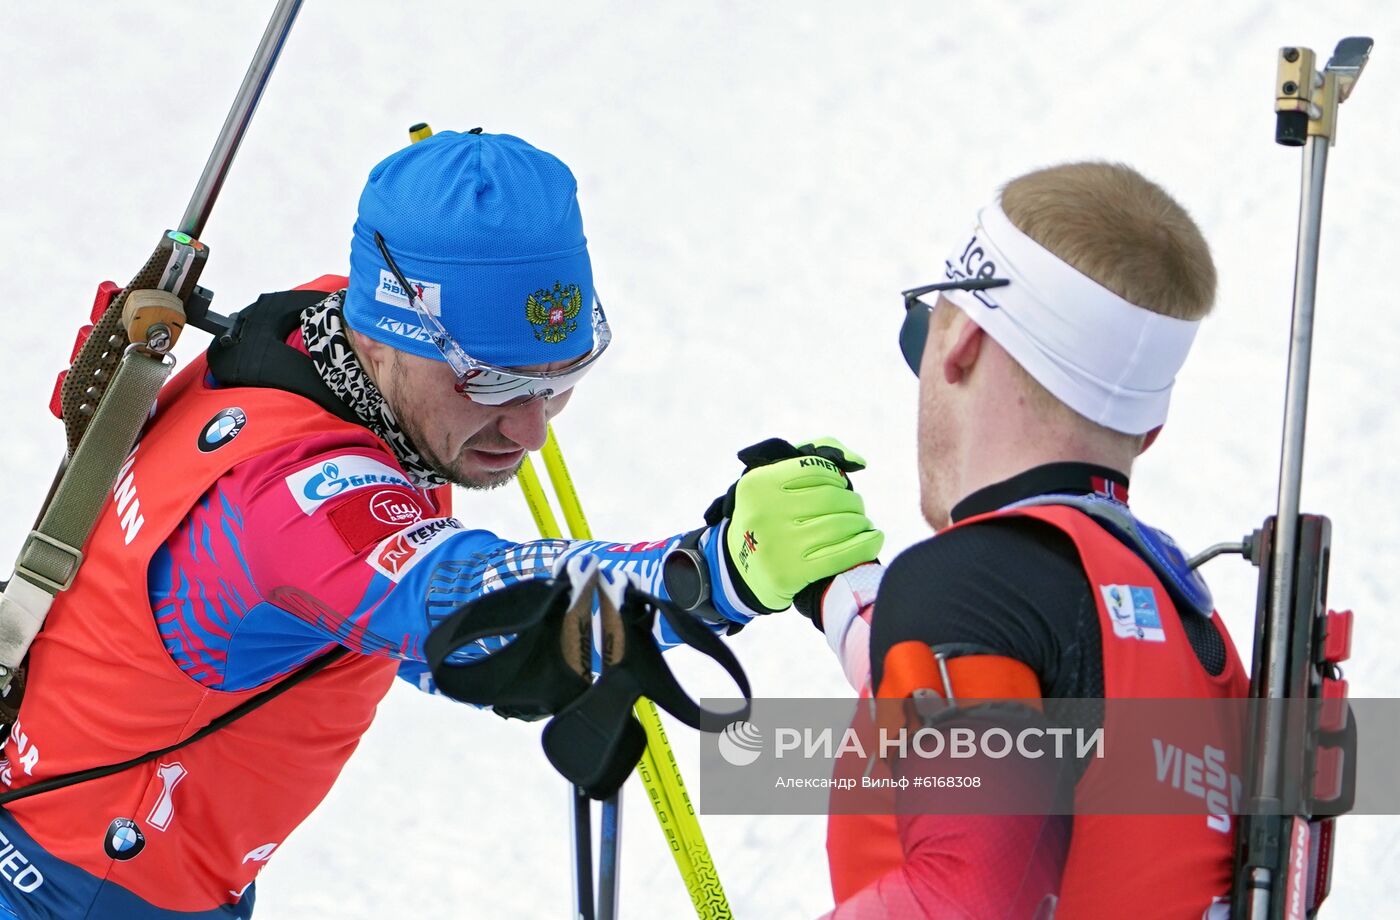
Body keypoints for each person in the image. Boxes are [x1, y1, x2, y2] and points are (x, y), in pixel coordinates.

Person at [0, 129, 883, 919]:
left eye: (558, 379)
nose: (532, 429)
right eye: (490, 382)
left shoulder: (317, 333)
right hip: (90, 887)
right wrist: (717, 569)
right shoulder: (291, 499)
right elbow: (471, 616)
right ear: (383, 335)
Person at [799, 161, 1249, 918]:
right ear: (1150, 427)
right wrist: (835, 591)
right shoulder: (1188, 626)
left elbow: (965, 897)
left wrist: (923, 598)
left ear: (963, 342)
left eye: (924, 335)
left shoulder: (970, 588)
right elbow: (1004, 691)